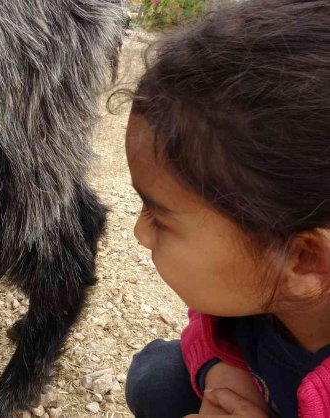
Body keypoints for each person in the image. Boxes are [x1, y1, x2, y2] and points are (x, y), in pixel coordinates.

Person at [122, 1, 330, 417]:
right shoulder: (260, 284)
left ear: (303, 259)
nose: (140, 234)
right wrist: (222, 369)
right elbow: (209, 321)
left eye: (159, 217)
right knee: (157, 376)